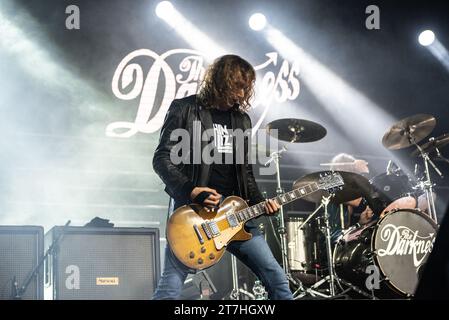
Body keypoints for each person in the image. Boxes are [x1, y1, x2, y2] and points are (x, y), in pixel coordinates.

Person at [152, 54, 293, 300]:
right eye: (237, 86)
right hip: (194, 212)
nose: (241, 93)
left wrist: (262, 203)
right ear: (220, 81)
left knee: (278, 281)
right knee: (170, 289)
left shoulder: (241, 119)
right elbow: (162, 159)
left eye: (245, 87)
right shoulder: (185, 108)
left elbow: (245, 172)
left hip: (236, 214)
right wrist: (191, 190)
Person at [327, 153, 375, 242]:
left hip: (345, 235)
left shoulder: (350, 189)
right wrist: (363, 171)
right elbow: (357, 201)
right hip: (334, 236)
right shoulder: (334, 188)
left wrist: (360, 222)